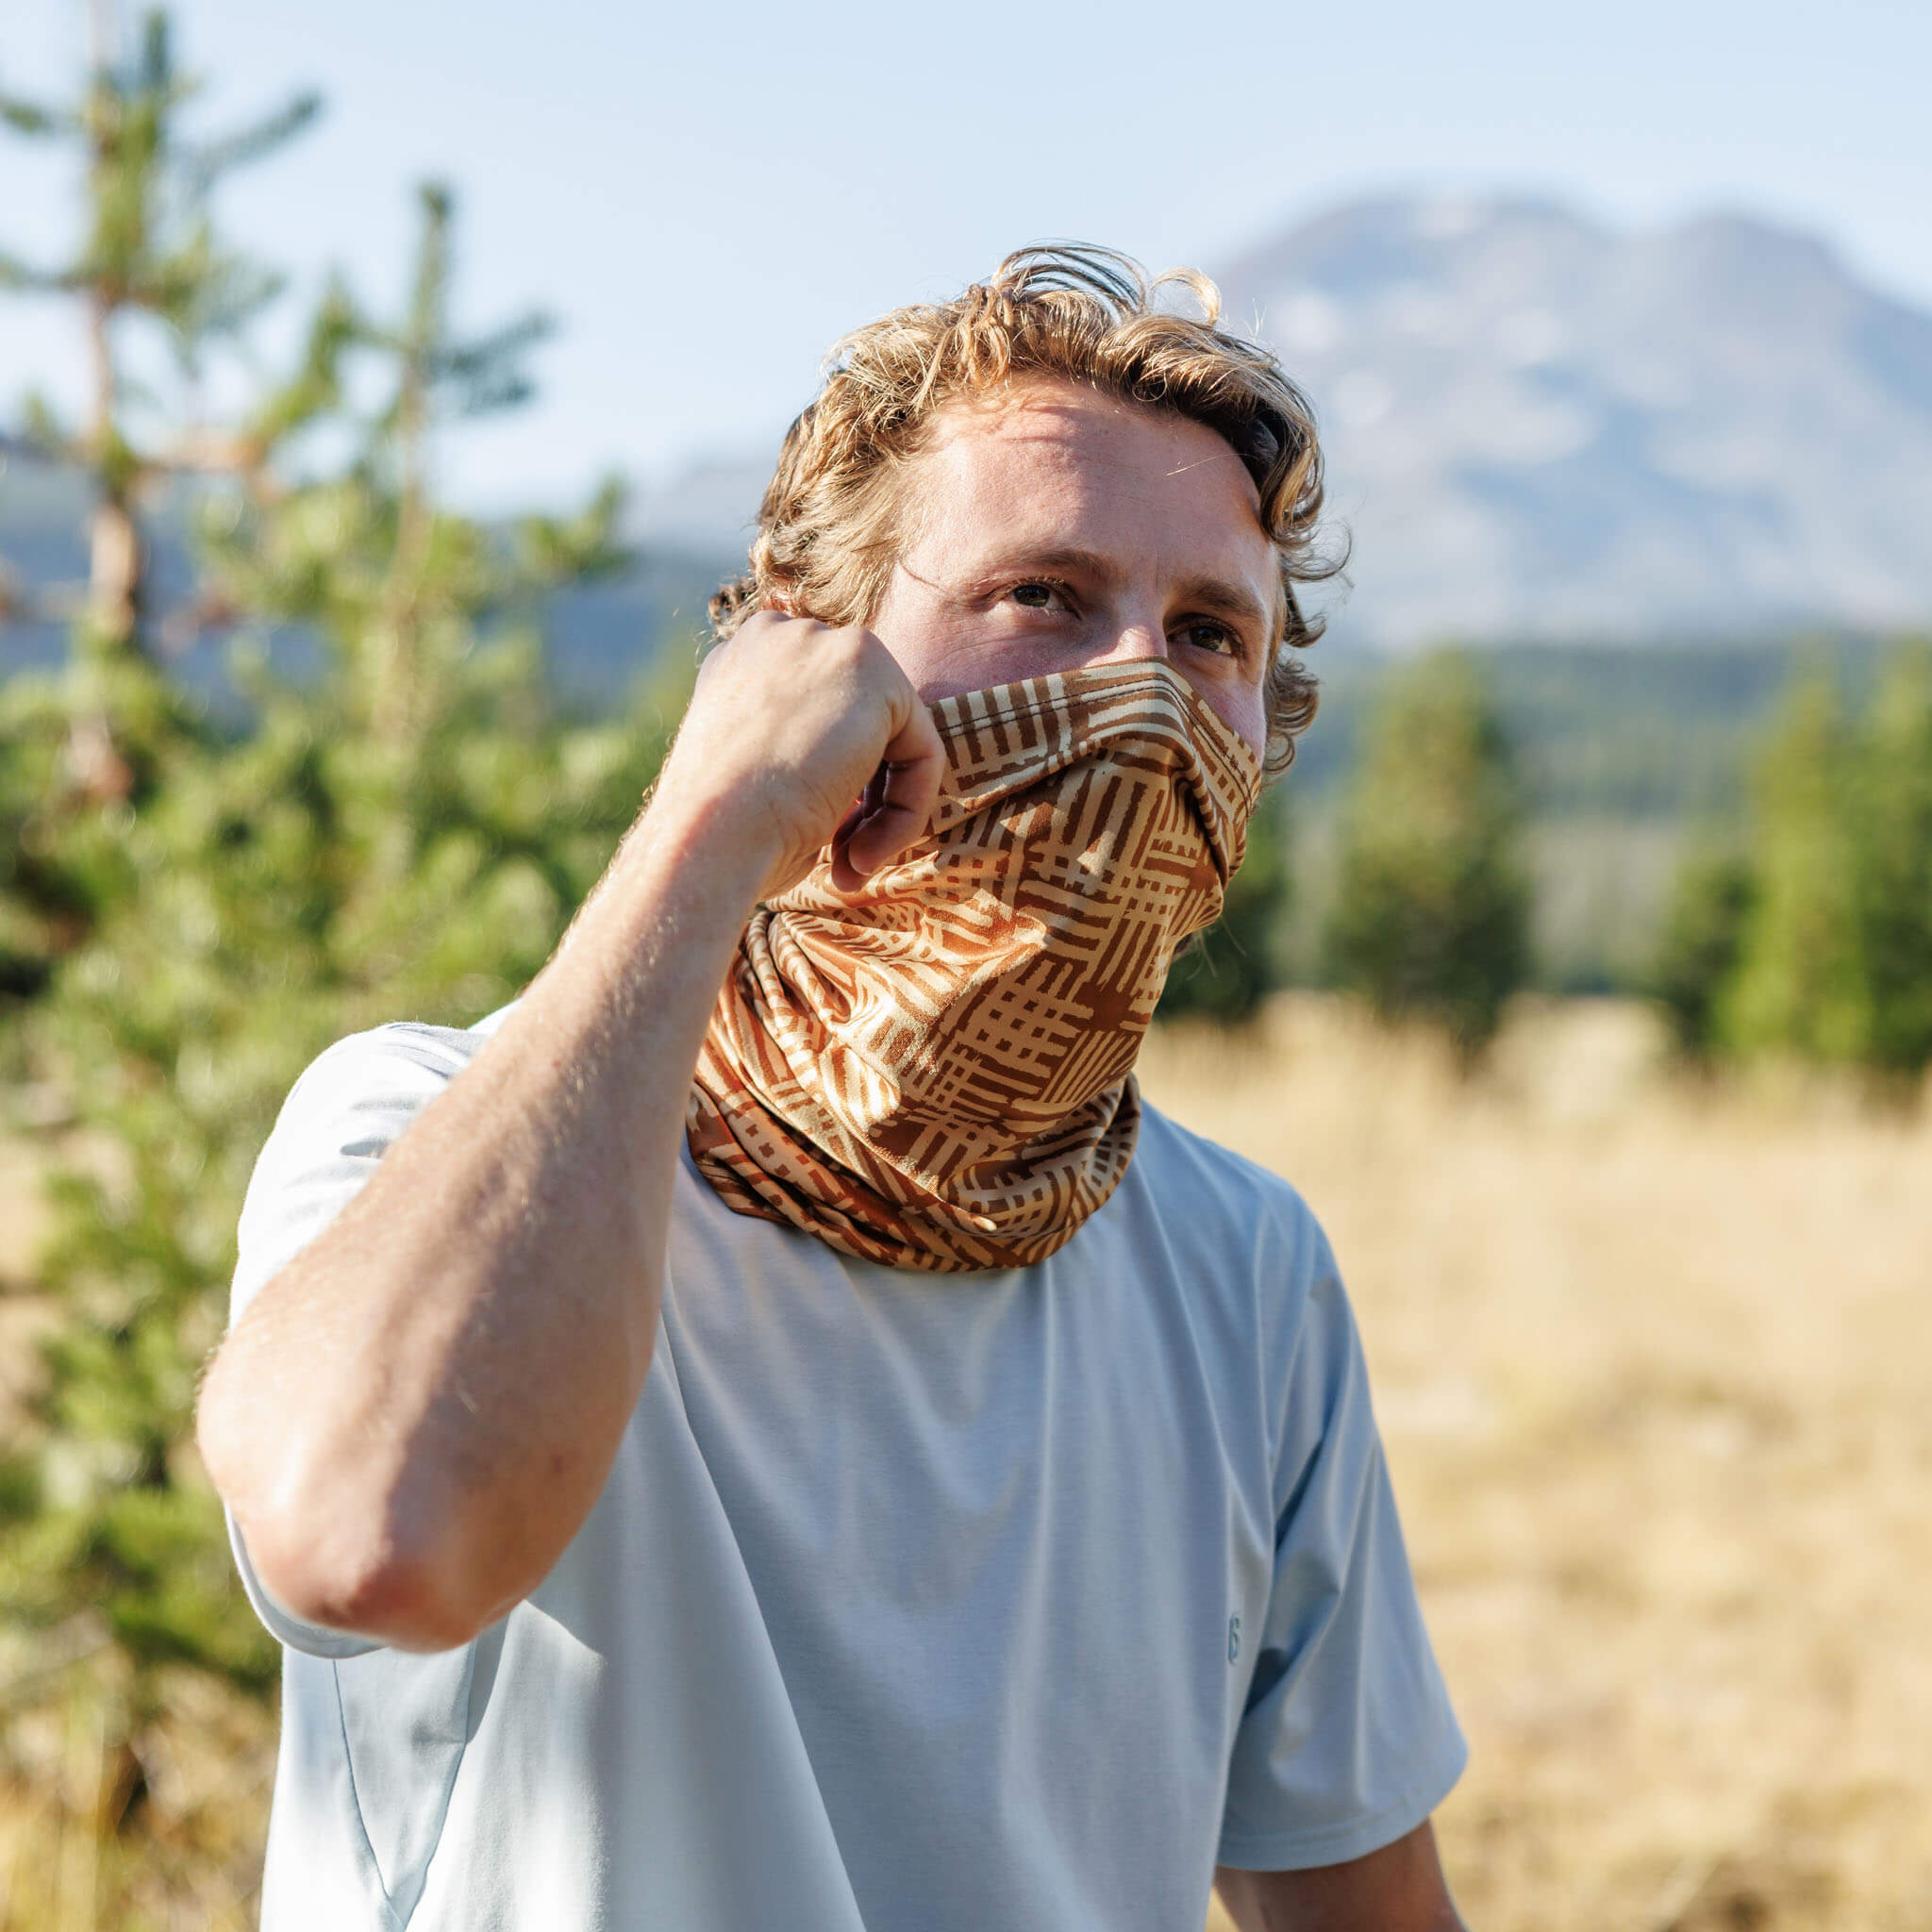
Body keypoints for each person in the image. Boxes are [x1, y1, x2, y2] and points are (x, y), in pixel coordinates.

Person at [197, 246, 1470, 1932]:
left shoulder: (1242, 1266)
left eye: (1209, 634)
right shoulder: (426, 1124)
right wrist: (715, 820)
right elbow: (370, 1536)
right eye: (1044, 596)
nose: (1143, 696)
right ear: (806, 657)